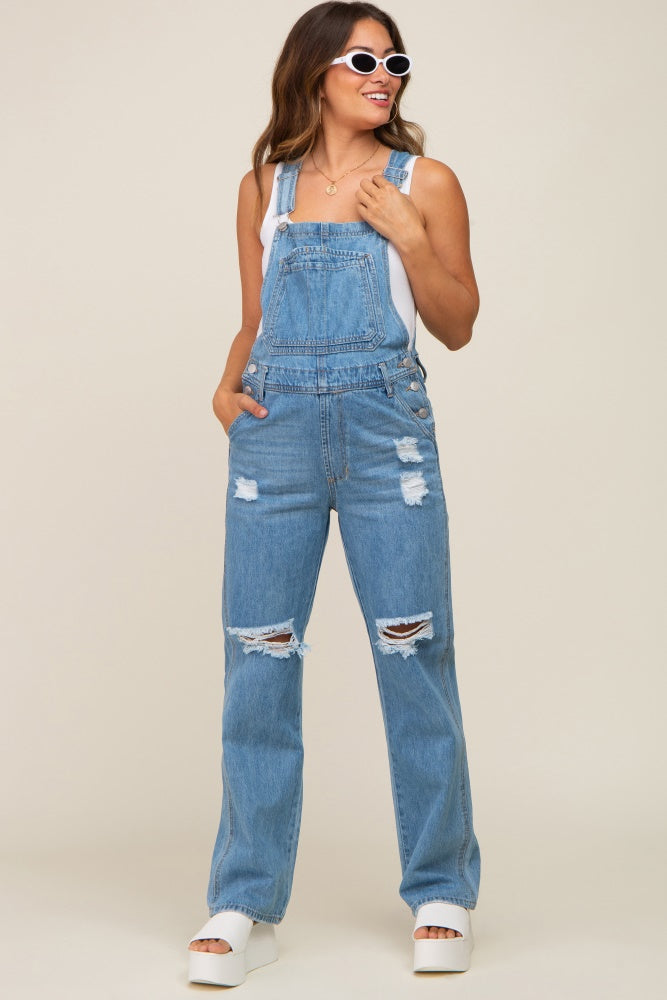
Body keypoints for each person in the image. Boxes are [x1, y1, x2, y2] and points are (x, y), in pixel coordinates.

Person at [187, 1, 481, 986]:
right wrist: (225, 388)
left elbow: (457, 323)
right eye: (363, 59)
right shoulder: (262, 187)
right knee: (257, 662)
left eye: (394, 61)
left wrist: (406, 235)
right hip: (274, 439)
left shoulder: (423, 181)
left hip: (384, 434)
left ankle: (440, 889)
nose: (383, 75)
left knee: (413, 652)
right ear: (314, 69)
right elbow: (254, 318)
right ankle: (244, 901)